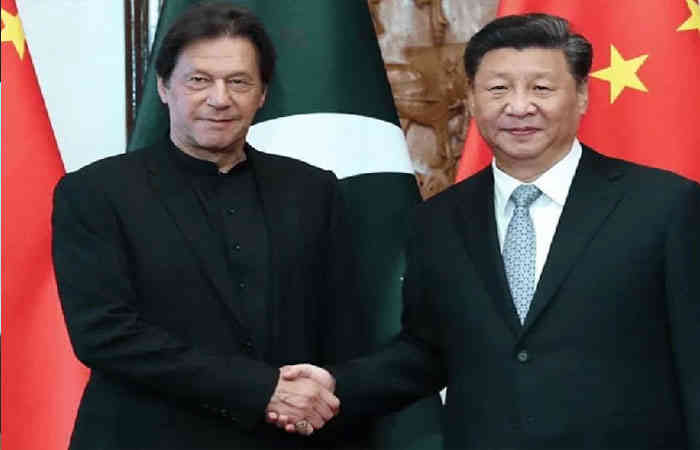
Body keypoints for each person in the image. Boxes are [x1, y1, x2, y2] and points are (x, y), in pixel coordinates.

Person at [276, 13, 700, 450]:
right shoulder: (436, 220)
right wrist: (335, 384)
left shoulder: (663, 206)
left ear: (581, 96)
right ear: (472, 101)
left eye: (541, 88)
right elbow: (426, 353)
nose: (519, 107)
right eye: (498, 89)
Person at [52, 2, 358, 449]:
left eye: (239, 82)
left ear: (263, 94)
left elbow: (343, 329)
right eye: (198, 80)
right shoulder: (96, 192)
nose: (220, 99)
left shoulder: (313, 190)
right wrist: (260, 388)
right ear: (164, 87)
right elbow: (104, 334)